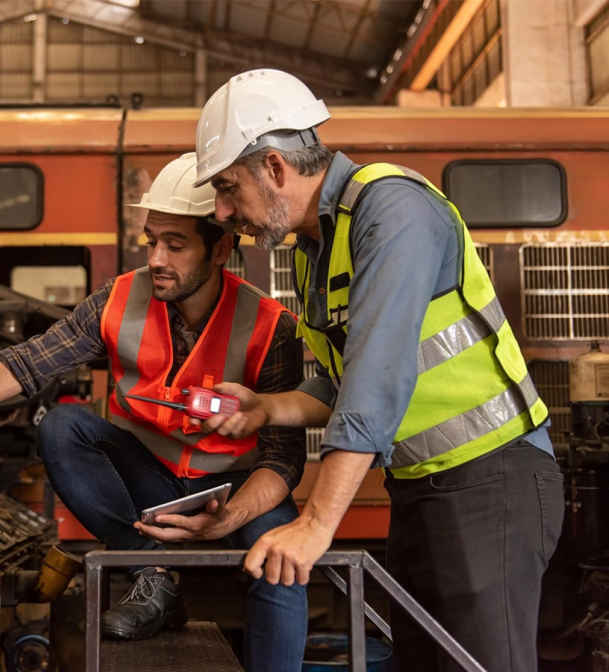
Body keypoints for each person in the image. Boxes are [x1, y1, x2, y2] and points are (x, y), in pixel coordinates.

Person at [0, 153, 310, 672]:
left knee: (282, 563)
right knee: (62, 425)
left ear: (222, 248)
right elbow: (23, 365)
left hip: (237, 490)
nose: (157, 258)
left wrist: (233, 516)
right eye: (152, 241)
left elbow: (283, 459)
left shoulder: (272, 326)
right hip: (152, 481)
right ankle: (154, 576)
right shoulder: (116, 301)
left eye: (176, 245)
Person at [191, 69, 565, 672]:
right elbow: (343, 382)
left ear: (276, 168)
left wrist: (316, 524)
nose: (223, 210)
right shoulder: (317, 249)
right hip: (422, 488)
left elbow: (379, 372)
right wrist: (268, 407)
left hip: (493, 480)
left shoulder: (392, 209)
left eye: (230, 188)